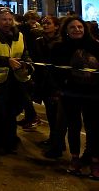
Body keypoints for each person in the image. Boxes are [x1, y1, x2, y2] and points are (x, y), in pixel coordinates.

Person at [51, 16, 99, 179]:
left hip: (93, 94)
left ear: (85, 29)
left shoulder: (95, 46)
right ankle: (75, 159)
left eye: (80, 27)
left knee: (93, 129)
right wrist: (60, 86)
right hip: (70, 94)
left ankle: (94, 162)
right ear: (66, 30)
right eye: (73, 27)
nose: (77, 30)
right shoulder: (59, 48)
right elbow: (54, 70)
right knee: (73, 127)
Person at [0, 6, 31, 155]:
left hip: (15, 80)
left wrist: (26, 64)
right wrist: (6, 61)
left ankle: (10, 142)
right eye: (4, 19)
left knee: (11, 113)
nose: (7, 22)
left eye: (10, 19)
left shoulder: (19, 35)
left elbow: (25, 53)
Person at [32, 15, 65, 159]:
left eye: (49, 23)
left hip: (56, 83)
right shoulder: (39, 41)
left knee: (58, 116)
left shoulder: (62, 42)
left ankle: (58, 143)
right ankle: (54, 139)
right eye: (44, 23)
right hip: (44, 82)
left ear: (56, 26)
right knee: (51, 114)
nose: (45, 26)